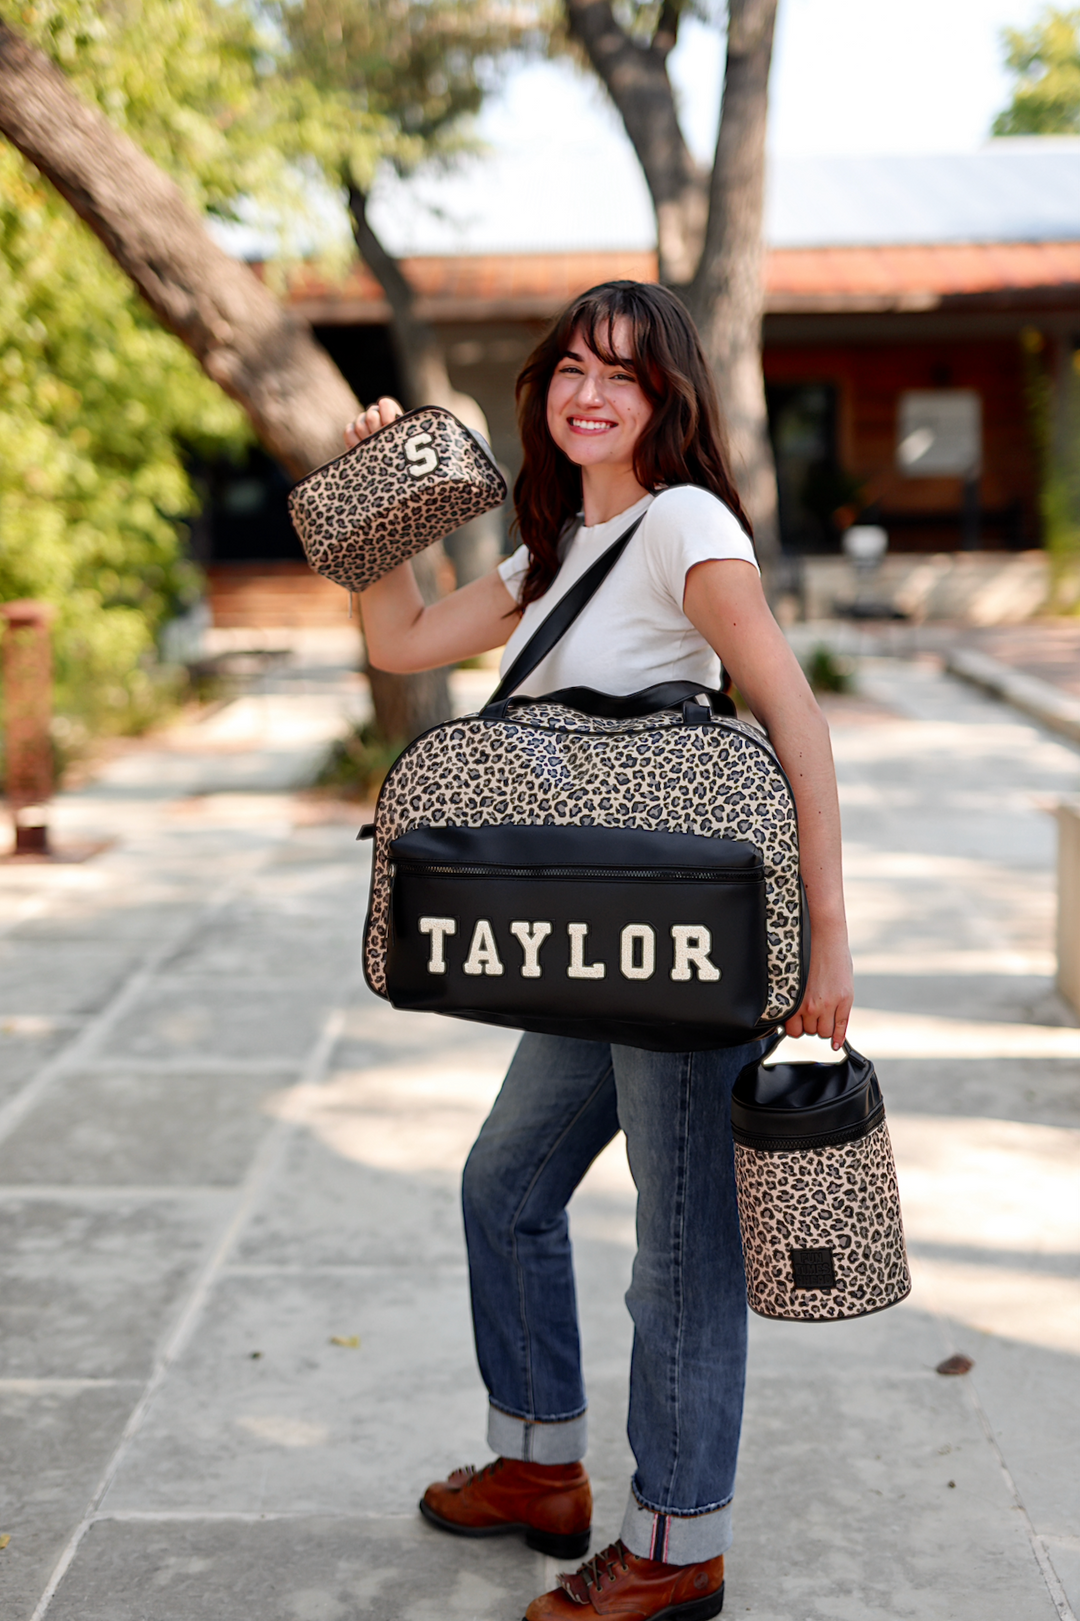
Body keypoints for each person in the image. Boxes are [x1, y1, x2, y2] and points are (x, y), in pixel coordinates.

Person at [345, 281, 853, 1621]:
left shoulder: (684, 522)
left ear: (666, 397)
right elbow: (399, 639)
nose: (590, 393)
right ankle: (537, 1470)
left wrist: (832, 947)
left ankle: (678, 1549)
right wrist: (380, 493)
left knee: (680, 1258)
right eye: (572, 366)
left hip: (686, 940)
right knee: (506, 1182)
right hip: (590, 934)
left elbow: (793, 719)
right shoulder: (559, 540)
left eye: (622, 375)